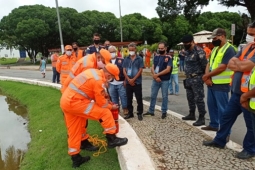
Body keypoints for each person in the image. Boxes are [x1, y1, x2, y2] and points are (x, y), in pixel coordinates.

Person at [203, 22, 255, 159]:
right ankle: (220, 140)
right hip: (237, 92)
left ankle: (250, 149)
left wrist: (239, 65)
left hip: (249, 95)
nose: (249, 37)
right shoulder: (247, 47)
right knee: (226, 117)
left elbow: (242, 65)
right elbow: (233, 64)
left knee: (251, 124)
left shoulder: (230, 48)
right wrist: (240, 65)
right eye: (248, 33)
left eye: (252, 34)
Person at [60, 64, 128, 168]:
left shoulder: (93, 72)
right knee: (105, 112)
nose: (112, 80)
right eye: (112, 77)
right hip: (75, 102)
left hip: (66, 101)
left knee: (74, 130)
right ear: (108, 75)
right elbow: (101, 103)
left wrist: (105, 96)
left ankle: (76, 158)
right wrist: (111, 106)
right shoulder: (98, 80)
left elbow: (93, 91)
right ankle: (112, 139)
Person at [201, 28, 236, 131]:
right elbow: (209, 63)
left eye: (215, 38)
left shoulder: (229, 49)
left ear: (222, 36)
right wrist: (207, 77)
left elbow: (223, 67)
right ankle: (214, 124)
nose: (213, 40)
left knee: (223, 109)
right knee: (211, 106)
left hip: (222, 83)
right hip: (211, 82)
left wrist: (207, 76)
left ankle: (225, 132)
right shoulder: (215, 49)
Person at [181, 35, 208, 126]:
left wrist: (204, 77)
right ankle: (191, 114)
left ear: (192, 41)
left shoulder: (199, 51)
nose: (185, 45)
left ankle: (201, 117)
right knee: (190, 98)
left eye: (187, 43)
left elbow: (204, 65)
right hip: (188, 78)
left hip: (197, 78)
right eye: (184, 44)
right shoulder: (187, 52)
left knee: (199, 98)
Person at [144, 42, 172, 119]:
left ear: (165, 48)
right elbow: (152, 67)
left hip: (164, 80)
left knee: (164, 96)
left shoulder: (168, 57)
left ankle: (164, 112)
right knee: (153, 95)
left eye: (162, 48)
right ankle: (151, 111)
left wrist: (157, 75)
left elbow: (168, 69)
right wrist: (155, 76)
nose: (160, 50)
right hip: (155, 80)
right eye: (159, 48)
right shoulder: (156, 56)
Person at [123, 42, 144, 121]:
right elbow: (124, 70)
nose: (131, 51)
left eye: (132, 49)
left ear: (135, 49)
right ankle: (130, 113)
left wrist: (133, 79)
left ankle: (139, 113)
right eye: (129, 50)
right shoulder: (126, 59)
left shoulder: (139, 59)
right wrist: (128, 79)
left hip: (137, 82)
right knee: (129, 98)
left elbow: (140, 70)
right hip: (128, 82)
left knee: (139, 98)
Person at [108, 46, 128, 115]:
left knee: (123, 96)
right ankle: (117, 109)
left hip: (121, 82)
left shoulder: (121, 60)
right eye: (110, 52)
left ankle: (125, 108)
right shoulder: (107, 61)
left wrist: (125, 80)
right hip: (111, 83)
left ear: (115, 52)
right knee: (113, 97)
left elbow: (125, 70)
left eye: (113, 52)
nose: (112, 53)